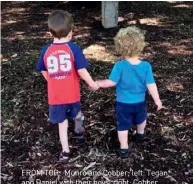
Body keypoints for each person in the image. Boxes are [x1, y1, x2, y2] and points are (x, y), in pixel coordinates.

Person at [36, 10, 99, 163]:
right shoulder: (73, 49)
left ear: (50, 32)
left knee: (62, 123)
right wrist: (92, 83)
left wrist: (52, 80)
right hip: (72, 94)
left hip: (55, 97)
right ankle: (79, 133)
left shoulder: (46, 50)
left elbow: (43, 70)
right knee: (77, 114)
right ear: (71, 32)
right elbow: (81, 70)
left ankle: (65, 151)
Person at [95, 26, 164, 158]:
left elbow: (111, 82)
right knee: (141, 118)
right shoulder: (146, 66)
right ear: (140, 45)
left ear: (120, 47)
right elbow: (151, 84)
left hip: (123, 103)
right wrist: (157, 100)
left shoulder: (119, 66)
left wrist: (98, 83)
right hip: (140, 102)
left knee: (123, 125)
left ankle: (124, 148)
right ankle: (140, 134)